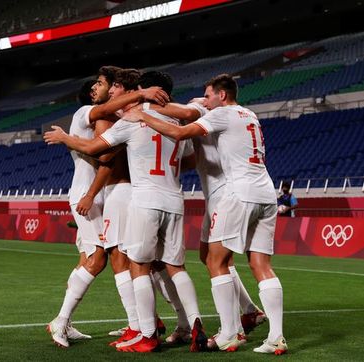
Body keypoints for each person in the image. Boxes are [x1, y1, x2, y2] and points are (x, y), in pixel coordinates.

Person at [123, 74, 287, 354]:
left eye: (208, 95)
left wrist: (142, 112)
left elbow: (179, 126)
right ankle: (273, 334)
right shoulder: (249, 114)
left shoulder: (218, 113)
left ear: (221, 96)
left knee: (215, 260)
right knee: (258, 263)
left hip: (234, 194)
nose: (204, 99)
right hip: (264, 192)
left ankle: (230, 331)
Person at [45, 71, 207, 353]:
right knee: (167, 265)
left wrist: (64, 138)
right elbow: (191, 153)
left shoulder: (132, 119)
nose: (105, 89)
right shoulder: (175, 119)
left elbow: (103, 154)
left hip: (131, 195)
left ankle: (141, 329)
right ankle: (186, 323)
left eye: (111, 84)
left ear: (138, 90)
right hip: (172, 197)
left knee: (130, 263)